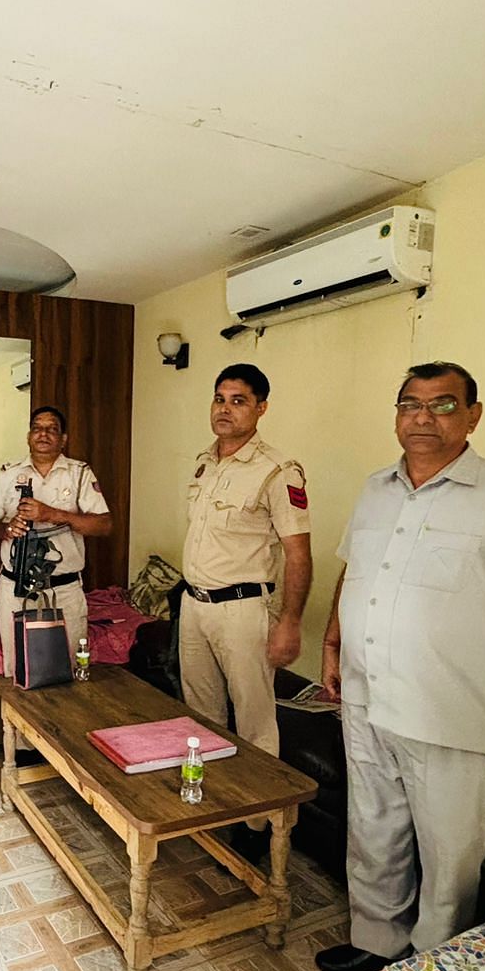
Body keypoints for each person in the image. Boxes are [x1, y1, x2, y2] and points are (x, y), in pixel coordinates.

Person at [315, 361, 485, 971]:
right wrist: (333, 642)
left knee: (451, 857)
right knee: (373, 828)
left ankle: (434, 969)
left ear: (473, 416)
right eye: (410, 403)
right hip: (366, 698)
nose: (423, 416)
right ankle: (378, 941)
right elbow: (353, 569)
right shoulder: (374, 489)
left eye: (443, 405)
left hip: (453, 714)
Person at [180, 364, 313, 860]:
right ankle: (213, 804)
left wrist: (290, 622)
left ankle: (258, 825)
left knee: (254, 721)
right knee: (200, 714)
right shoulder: (205, 463)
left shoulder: (278, 471)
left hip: (243, 610)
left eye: (238, 400)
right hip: (194, 604)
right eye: (219, 398)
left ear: (261, 408)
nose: (224, 408)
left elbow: (298, 553)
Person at [0, 406, 113, 674]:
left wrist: (50, 514)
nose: (43, 434)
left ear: (63, 439)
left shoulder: (79, 474)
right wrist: (7, 529)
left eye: (52, 429)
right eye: (37, 428)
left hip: (64, 591)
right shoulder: (9, 473)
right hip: (15, 590)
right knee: (19, 670)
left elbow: (104, 525)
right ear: (29, 435)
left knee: (68, 670)